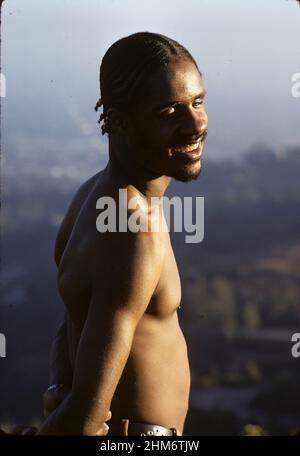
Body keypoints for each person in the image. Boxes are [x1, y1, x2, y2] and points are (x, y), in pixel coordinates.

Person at [38, 31, 208, 436]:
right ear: (118, 120)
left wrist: (57, 386)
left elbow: (73, 313)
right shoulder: (133, 231)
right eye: (169, 111)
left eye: (198, 103)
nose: (195, 124)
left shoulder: (92, 196)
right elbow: (87, 416)